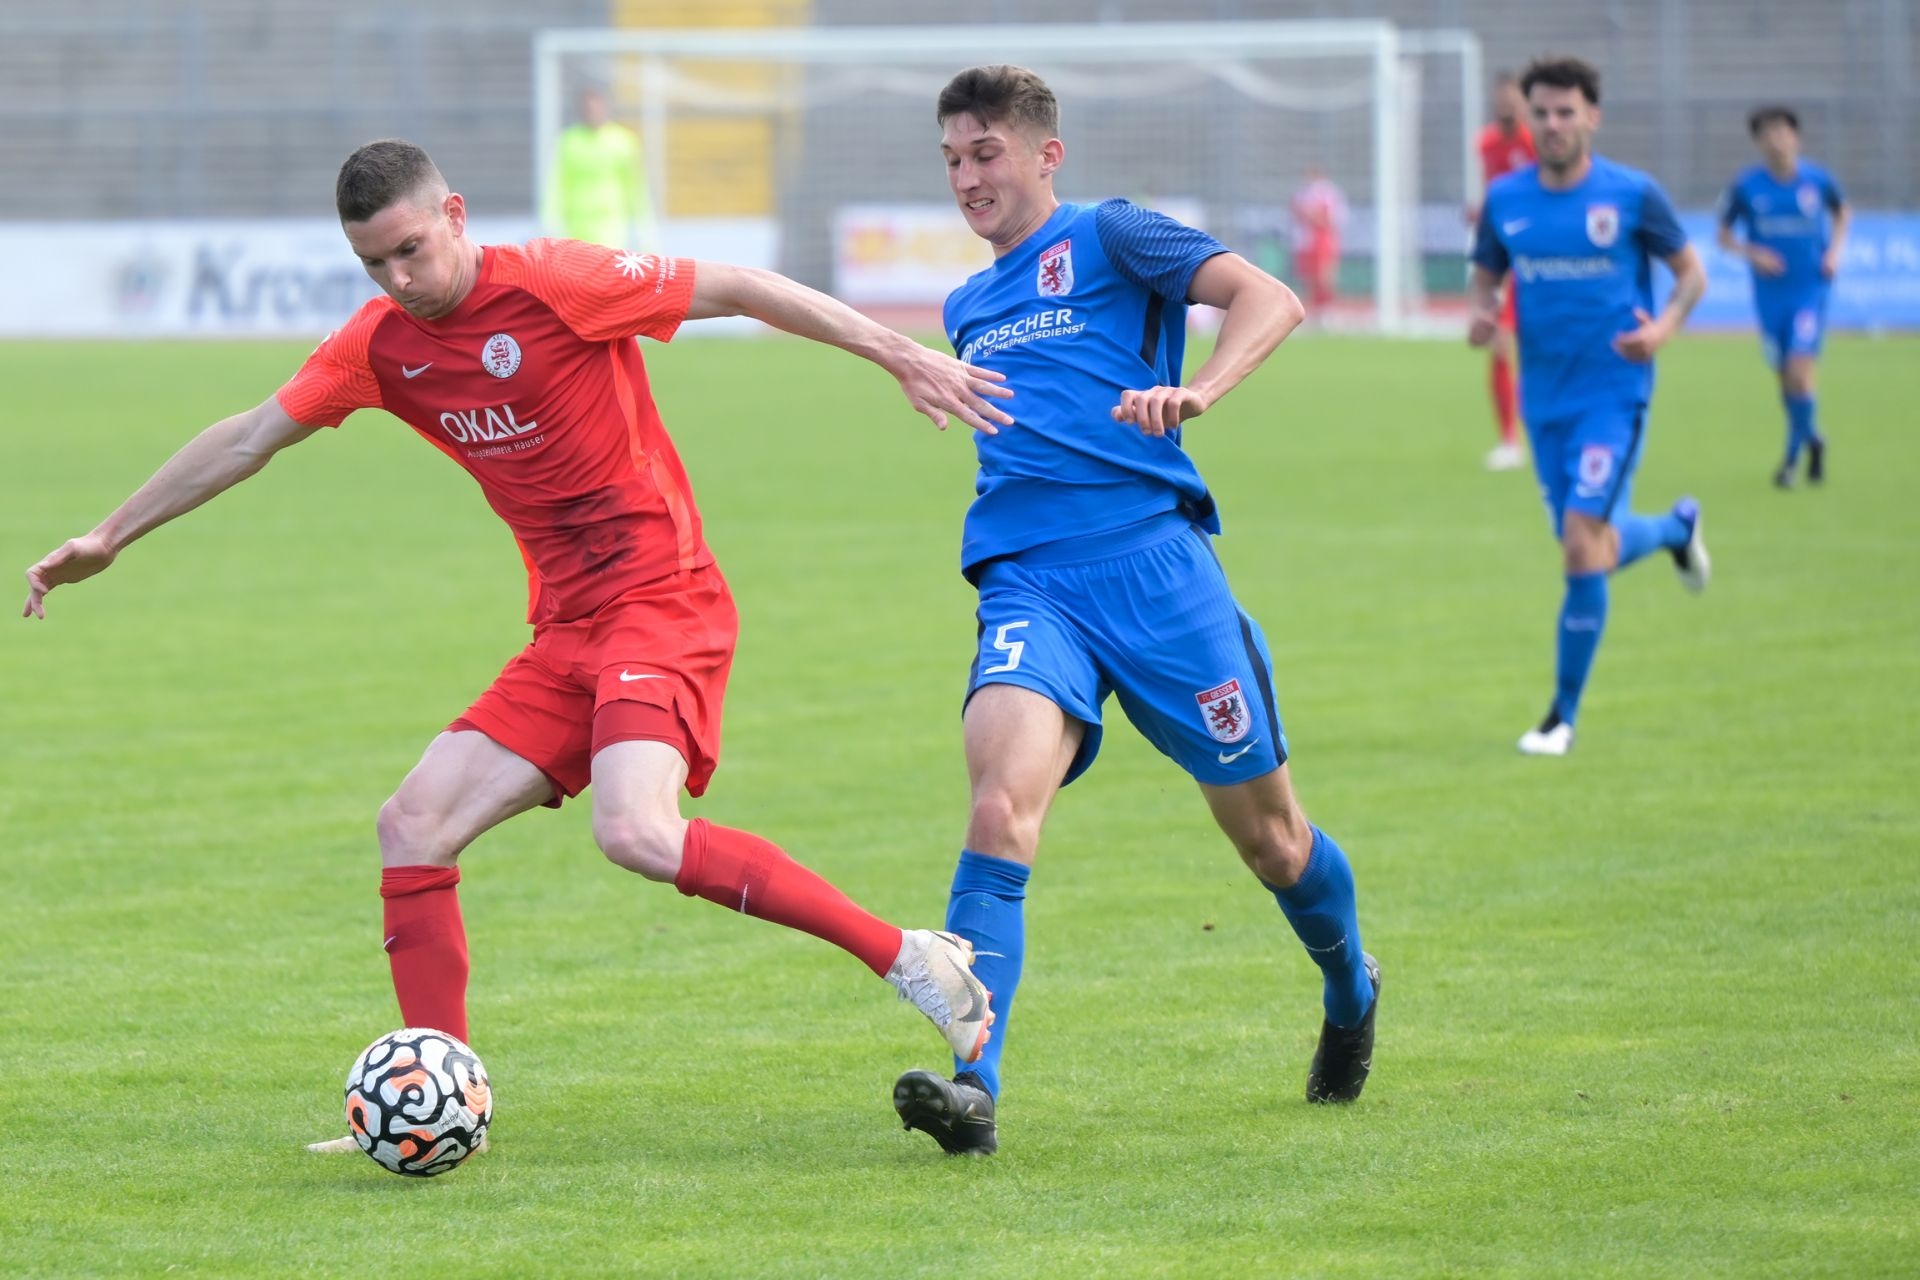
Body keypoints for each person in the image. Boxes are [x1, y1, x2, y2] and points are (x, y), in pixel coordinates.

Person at [21, 139, 1013, 1147]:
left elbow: (744, 286)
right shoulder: (378, 345)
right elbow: (248, 436)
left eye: (410, 250)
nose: (398, 280)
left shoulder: (558, 284)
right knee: (412, 825)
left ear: (454, 215)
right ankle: (442, 1096)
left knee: (635, 831)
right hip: (568, 631)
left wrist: (898, 351)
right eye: (373, 263)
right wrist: (110, 534)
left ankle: (910, 956)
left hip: (662, 600)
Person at [888, 65, 1379, 1158]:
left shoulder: (1114, 235)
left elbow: (1270, 298)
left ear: (1045, 154)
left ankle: (1351, 984)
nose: (967, 178)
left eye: (986, 153)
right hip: (1029, 584)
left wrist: (1200, 389)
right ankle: (974, 1088)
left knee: (1274, 843)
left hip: (1158, 574)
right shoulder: (967, 307)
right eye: (953, 159)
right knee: (998, 810)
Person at [1469, 56, 1712, 758]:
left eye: (1565, 112)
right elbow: (1486, 277)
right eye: (1541, 113)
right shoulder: (1506, 199)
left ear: (1591, 117)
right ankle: (1675, 529)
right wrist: (1483, 312)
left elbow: (1691, 274)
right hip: (1544, 402)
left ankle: (1560, 719)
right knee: (1592, 552)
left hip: (1613, 394)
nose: (1552, 124)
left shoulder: (1632, 195)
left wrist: (1662, 330)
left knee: (1581, 542)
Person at [1717, 105, 1850, 488]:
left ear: (1796, 137)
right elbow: (1723, 237)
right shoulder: (1746, 186)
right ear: (1758, 142)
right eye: (1768, 134)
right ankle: (1813, 438)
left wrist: (1835, 251)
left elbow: (1843, 212)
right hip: (1770, 297)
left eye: (1782, 131)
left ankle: (1790, 461)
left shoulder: (1817, 180)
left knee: (1799, 371)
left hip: (1809, 290)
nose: (1776, 140)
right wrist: (1752, 253)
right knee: (1786, 381)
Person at [1467, 72, 1538, 472]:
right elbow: (1492, 196)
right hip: (1502, 259)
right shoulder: (1487, 143)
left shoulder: (1535, 143)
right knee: (1499, 342)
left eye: (1512, 100)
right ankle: (1509, 440)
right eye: (1501, 100)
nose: (1506, 106)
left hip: (1535, 255)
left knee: (1537, 346)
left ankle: (1534, 432)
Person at [545, 86, 658, 252]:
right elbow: (556, 185)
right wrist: (551, 222)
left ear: (606, 107)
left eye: (596, 107)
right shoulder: (568, 141)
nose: (593, 112)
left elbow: (635, 188)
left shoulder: (623, 141)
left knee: (606, 264)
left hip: (610, 224)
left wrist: (644, 228)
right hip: (576, 224)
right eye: (588, 108)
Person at [1289, 165, 1346, 315]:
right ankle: (1315, 306)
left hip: (1322, 237)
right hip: (1306, 239)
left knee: (1324, 274)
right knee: (1309, 275)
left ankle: (1327, 306)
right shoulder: (1302, 193)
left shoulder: (1326, 192)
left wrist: (1314, 217)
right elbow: (1296, 212)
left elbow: (1331, 217)